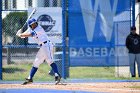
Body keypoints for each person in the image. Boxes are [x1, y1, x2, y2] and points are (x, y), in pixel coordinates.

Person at [16, 18, 61, 85]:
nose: (34, 25)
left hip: (47, 45)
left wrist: (20, 35)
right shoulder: (31, 29)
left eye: (35, 23)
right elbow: (26, 33)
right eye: (32, 24)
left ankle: (57, 76)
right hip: (42, 47)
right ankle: (30, 78)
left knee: (50, 61)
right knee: (36, 62)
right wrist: (21, 34)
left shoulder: (38, 28)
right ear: (30, 25)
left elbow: (30, 34)